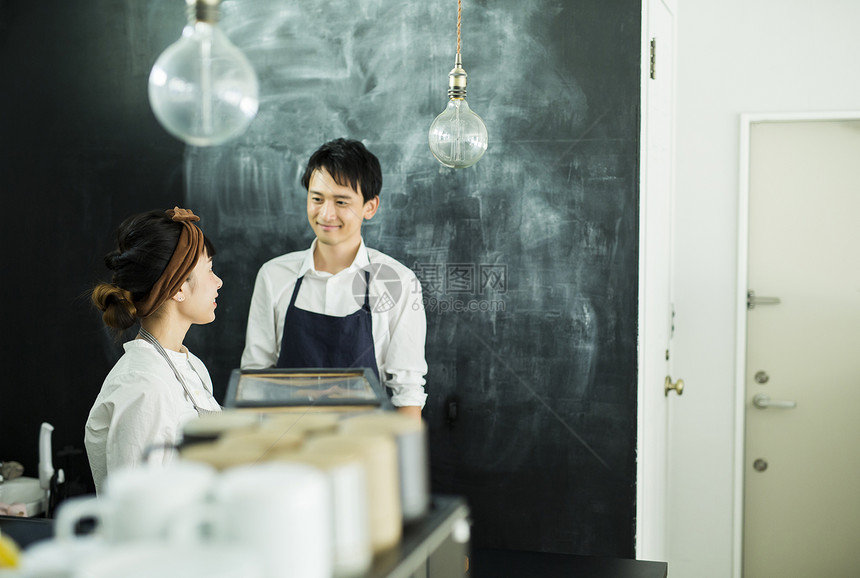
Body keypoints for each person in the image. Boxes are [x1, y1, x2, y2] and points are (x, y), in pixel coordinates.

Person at [241, 138, 427, 418]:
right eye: (317, 199)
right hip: (287, 444)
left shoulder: (399, 282)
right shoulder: (274, 275)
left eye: (341, 202)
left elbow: (408, 392)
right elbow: (254, 378)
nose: (326, 213)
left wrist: (401, 458)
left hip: (366, 446)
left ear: (370, 207)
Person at [85, 207, 223, 494]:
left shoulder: (192, 365)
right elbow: (136, 507)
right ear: (178, 289)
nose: (218, 281)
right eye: (209, 270)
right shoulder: (144, 385)